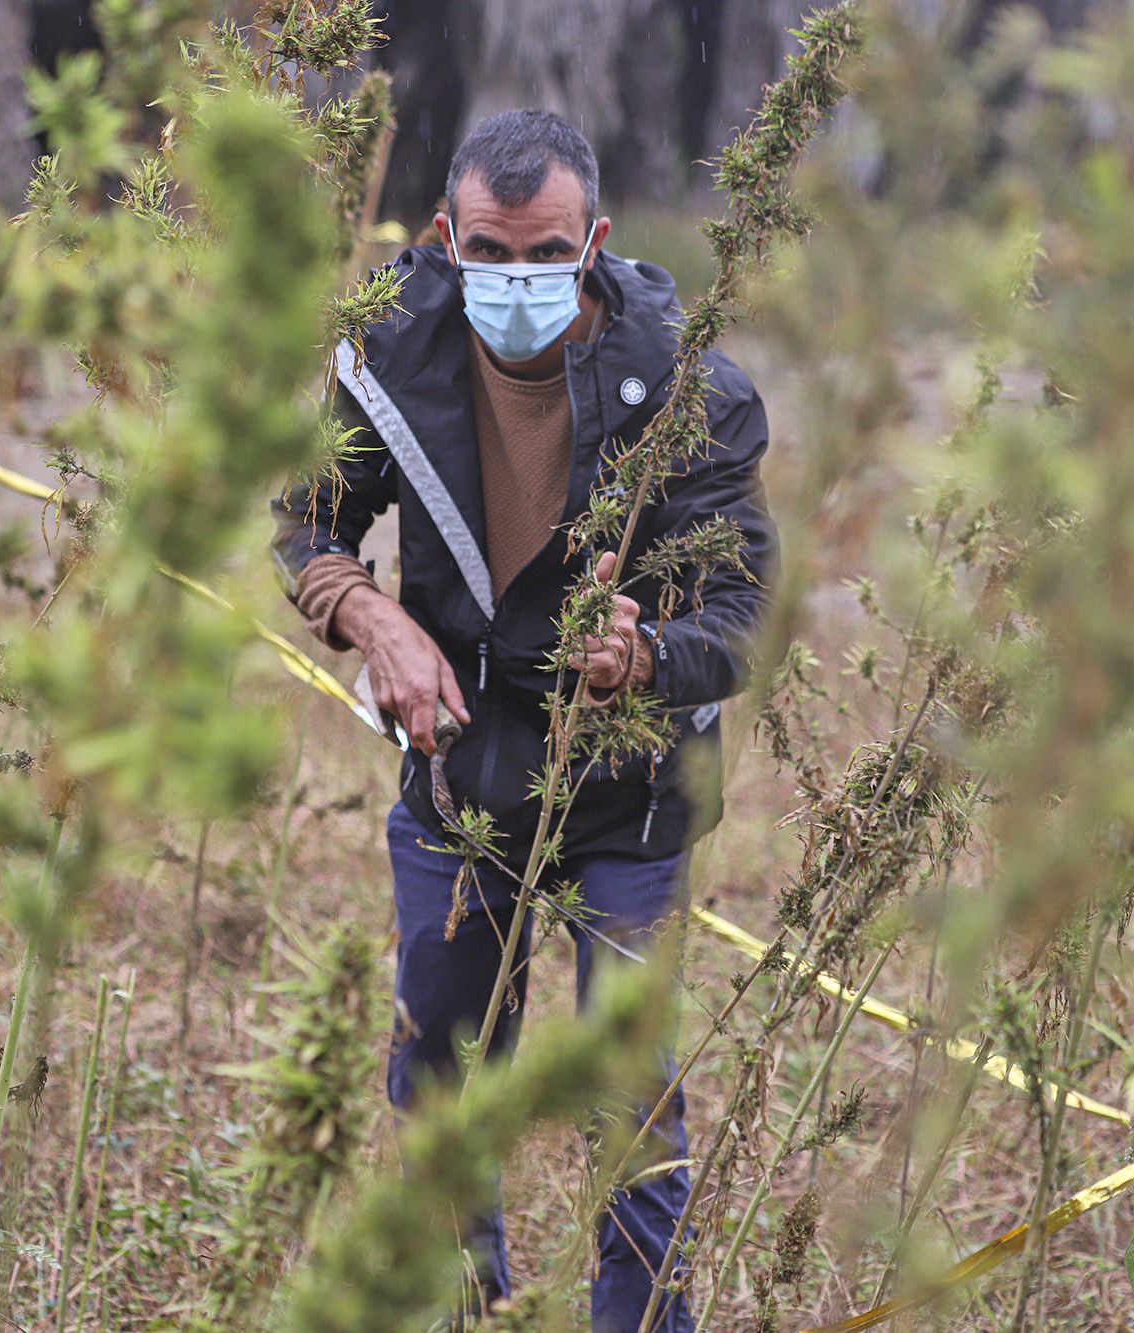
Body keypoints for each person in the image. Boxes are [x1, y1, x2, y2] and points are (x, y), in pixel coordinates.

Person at [271, 109, 777, 1331]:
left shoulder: (690, 385)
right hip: (457, 779)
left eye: (543, 254)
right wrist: (369, 618)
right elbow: (308, 519)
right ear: (445, 238)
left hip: (630, 793)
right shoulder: (386, 349)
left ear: (593, 242)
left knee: (627, 1102)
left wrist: (644, 652)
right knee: (439, 1093)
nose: (512, 282)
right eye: (487, 254)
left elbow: (742, 611)